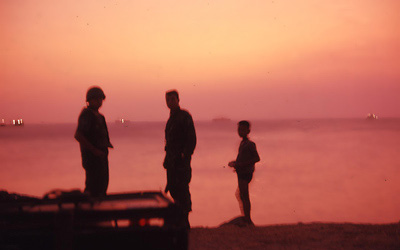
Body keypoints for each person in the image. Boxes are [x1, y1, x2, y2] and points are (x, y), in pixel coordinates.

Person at [163, 90, 196, 228]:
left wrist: (185, 155)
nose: (170, 102)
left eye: (173, 99)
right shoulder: (171, 119)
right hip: (171, 162)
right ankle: (178, 221)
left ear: (178, 100)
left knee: (182, 190)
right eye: (168, 100)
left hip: (181, 162)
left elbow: (191, 138)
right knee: (173, 190)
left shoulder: (184, 116)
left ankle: (184, 221)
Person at [74, 86, 113, 197]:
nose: (99, 101)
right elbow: (78, 135)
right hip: (92, 158)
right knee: (92, 187)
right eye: (96, 99)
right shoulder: (87, 115)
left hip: (102, 156)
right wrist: (94, 150)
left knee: (103, 185)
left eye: (100, 99)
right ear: (89, 100)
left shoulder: (100, 117)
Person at [228, 120, 260, 226]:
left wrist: (241, 165)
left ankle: (247, 218)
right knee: (240, 194)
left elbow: (256, 158)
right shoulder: (243, 143)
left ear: (248, 131)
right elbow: (243, 159)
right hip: (241, 172)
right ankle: (246, 216)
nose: (240, 131)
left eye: (242, 129)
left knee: (244, 195)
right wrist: (235, 163)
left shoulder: (250, 144)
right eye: (239, 129)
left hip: (246, 173)